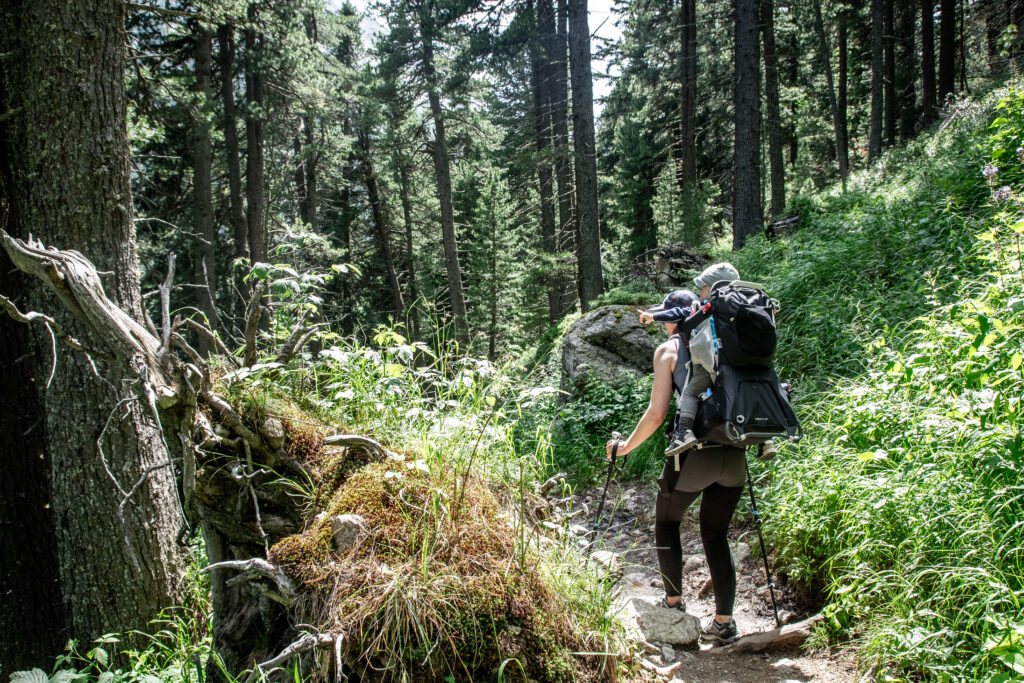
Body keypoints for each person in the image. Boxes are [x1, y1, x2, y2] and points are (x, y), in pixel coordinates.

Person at [607, 288, 744, 645]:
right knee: (715, 534)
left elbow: (656, 415)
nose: (663, 325)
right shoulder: (726, 344)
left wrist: (624, 448)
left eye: (665, 319)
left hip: (694, 454)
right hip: (735, 454)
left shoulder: (669, 350)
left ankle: (673, 603)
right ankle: (725, 623)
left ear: (673, 320)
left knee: (667, 521)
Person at [638, 263, 741, 457]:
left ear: (712, 288)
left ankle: (684, 432)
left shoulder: (703, 310)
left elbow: (656, 414)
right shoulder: (740, 310)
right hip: (734, 446)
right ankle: (767, 441)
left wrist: (654, 316)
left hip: (696, 451)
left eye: (702, 288)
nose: (700, 292)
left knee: (691, 392)